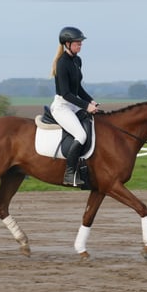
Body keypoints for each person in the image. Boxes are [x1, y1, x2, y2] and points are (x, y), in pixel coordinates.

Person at [50, 26, 99, 186]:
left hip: (74, 104)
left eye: (80, 43)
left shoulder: (77, 60)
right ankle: (69, 174)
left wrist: (90, 101)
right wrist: (85, 105)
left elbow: (77, 88)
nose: (80, 45)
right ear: (67, 44)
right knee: (81, 135)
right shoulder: (62, 63)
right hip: (62, 106)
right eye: (77, 43)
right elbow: (66, 94)